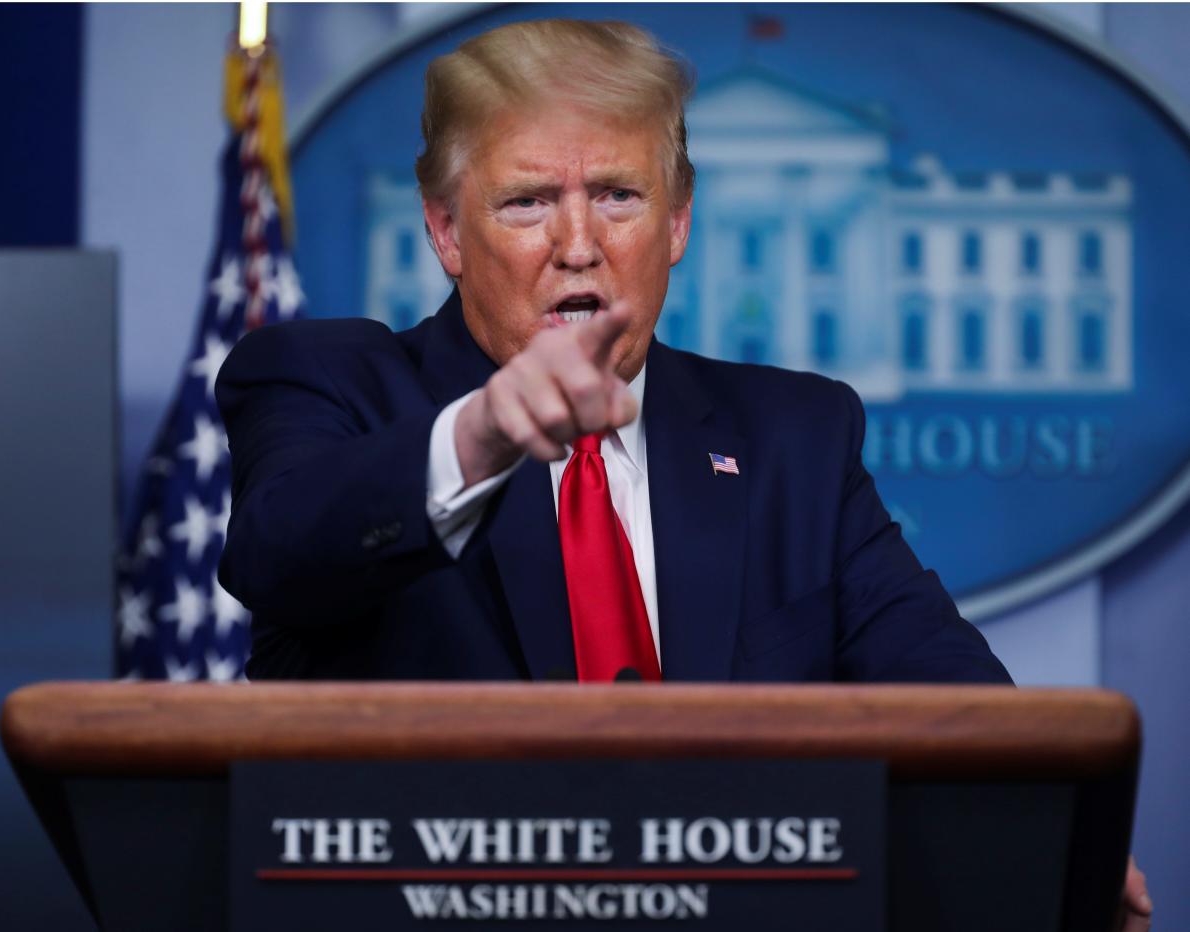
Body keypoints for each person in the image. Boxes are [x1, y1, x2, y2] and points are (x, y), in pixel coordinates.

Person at [216, 20, 1149, 923]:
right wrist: (486, 430)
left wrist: (1060, 842)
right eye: (527, 201)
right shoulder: (329, 383)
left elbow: (950, 696)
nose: (577, 243)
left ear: (677, 224)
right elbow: (281, 550)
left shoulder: (794, 438)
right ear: (446, 232)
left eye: (618, 195)